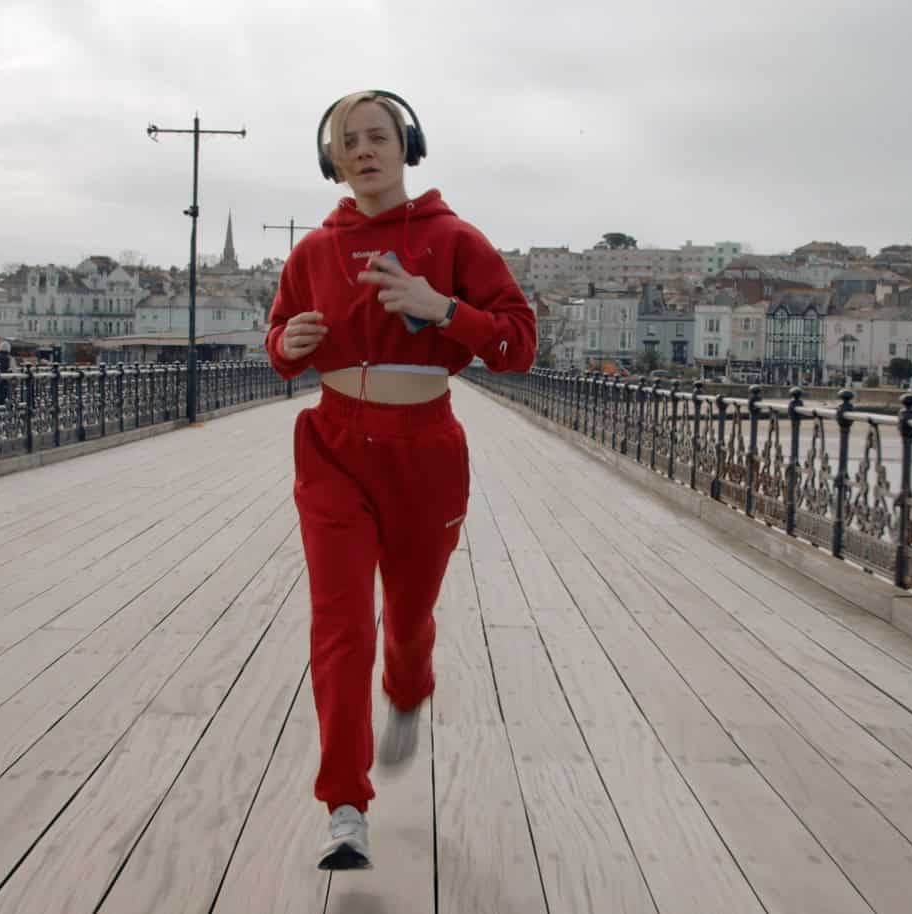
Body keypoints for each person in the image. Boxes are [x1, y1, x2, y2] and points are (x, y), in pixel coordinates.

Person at [265, 89, 536, 870]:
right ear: (333, 158)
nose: (363, 149)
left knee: (408, 617)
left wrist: (442, 307)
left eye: (378, 135)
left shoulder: (454, 238)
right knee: (341, 622)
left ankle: (410, 684)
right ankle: (345, 807)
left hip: (425, 450)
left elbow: (519, 343)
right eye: (348, 140)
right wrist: (291, 342)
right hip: (333, 447)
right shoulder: (314, 251)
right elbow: (277, 340)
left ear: (407, 146)